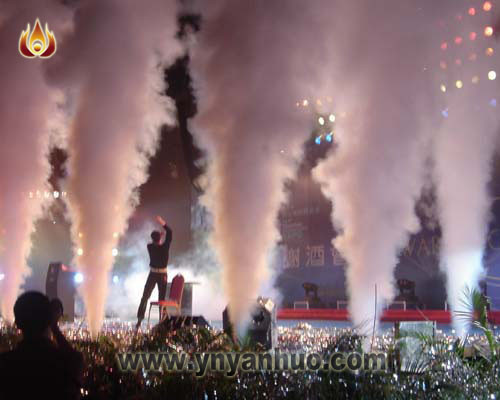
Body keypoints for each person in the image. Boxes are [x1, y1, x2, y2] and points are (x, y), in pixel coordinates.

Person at [0, 291, 84, 399]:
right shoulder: (64, 362)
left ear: (17, 323)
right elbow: (75, 359)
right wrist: (54, 327)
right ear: (49, 319)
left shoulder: (5, 363)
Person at [136, 215, 173, 329]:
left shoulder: (150, 247)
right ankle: (163, 321)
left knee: (145, 296)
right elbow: (170, 232)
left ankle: (139, 319)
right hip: (162, 275)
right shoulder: (165, 247)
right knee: (162, 299)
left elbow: (155, 242)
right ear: (160, 239)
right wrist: (162, 223)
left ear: (152, 239)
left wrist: (159, 236)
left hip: (152, 274)